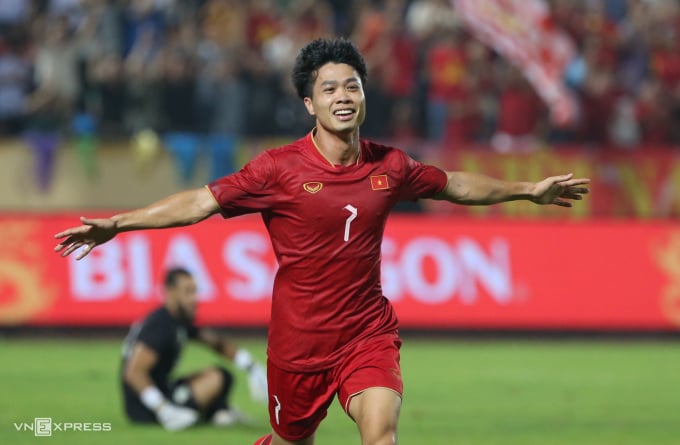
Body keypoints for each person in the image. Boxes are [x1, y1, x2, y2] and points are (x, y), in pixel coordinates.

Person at [55, 38, 590, 445]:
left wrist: (527, 190)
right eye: (329, 89)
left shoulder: (390, 166)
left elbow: (454, 184)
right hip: (299, 346)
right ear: (309, 104)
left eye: (351, 86)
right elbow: (198, 202)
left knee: (381, 432)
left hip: (367, 333)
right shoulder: (278, 170)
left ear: (363, 95)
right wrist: (118, 224)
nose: (343, 96)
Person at [120, 267, 268, 431]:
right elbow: (133, 373)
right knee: (220, 378)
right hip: (146, 408)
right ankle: (216, 413)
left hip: (164, 390)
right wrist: (163, 408)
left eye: (195, 291)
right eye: (188, 292)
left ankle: (219, 412)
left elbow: (215, 343)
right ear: (170, 292)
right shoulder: (160, 325)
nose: (194, 298)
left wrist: (250, 366)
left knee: (221, 376)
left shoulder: (177, 320)